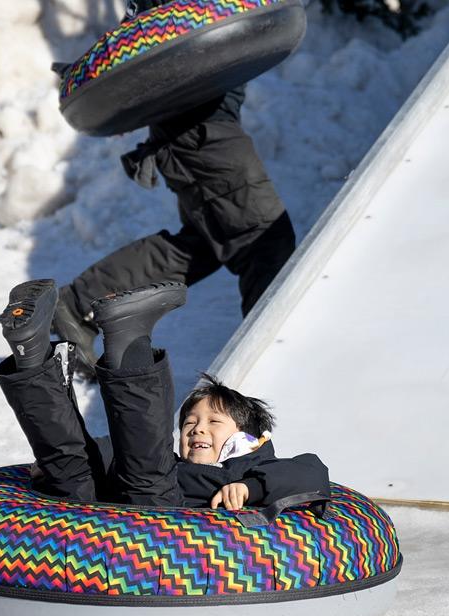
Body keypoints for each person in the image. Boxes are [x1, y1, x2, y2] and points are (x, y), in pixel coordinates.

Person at [53, 1, 297, 371]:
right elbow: (154, 22)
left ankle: (78, 306)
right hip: (199, 126)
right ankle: (272, 366)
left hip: (202, 118)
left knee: (204, 244)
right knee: (265, 242)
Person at [0, 278, 329, 509]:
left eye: (214, 421)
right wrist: (58, 458)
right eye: (189, 423)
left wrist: (251, 488)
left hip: (166, 524)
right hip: (97, 523)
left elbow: (312, 471)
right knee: (72, 466)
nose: (197, 428)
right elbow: (119, 449)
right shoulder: (170, 461)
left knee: (148, 473)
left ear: (248, 438)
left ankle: (128, 337)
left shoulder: (254, 469)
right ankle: (32, 354)